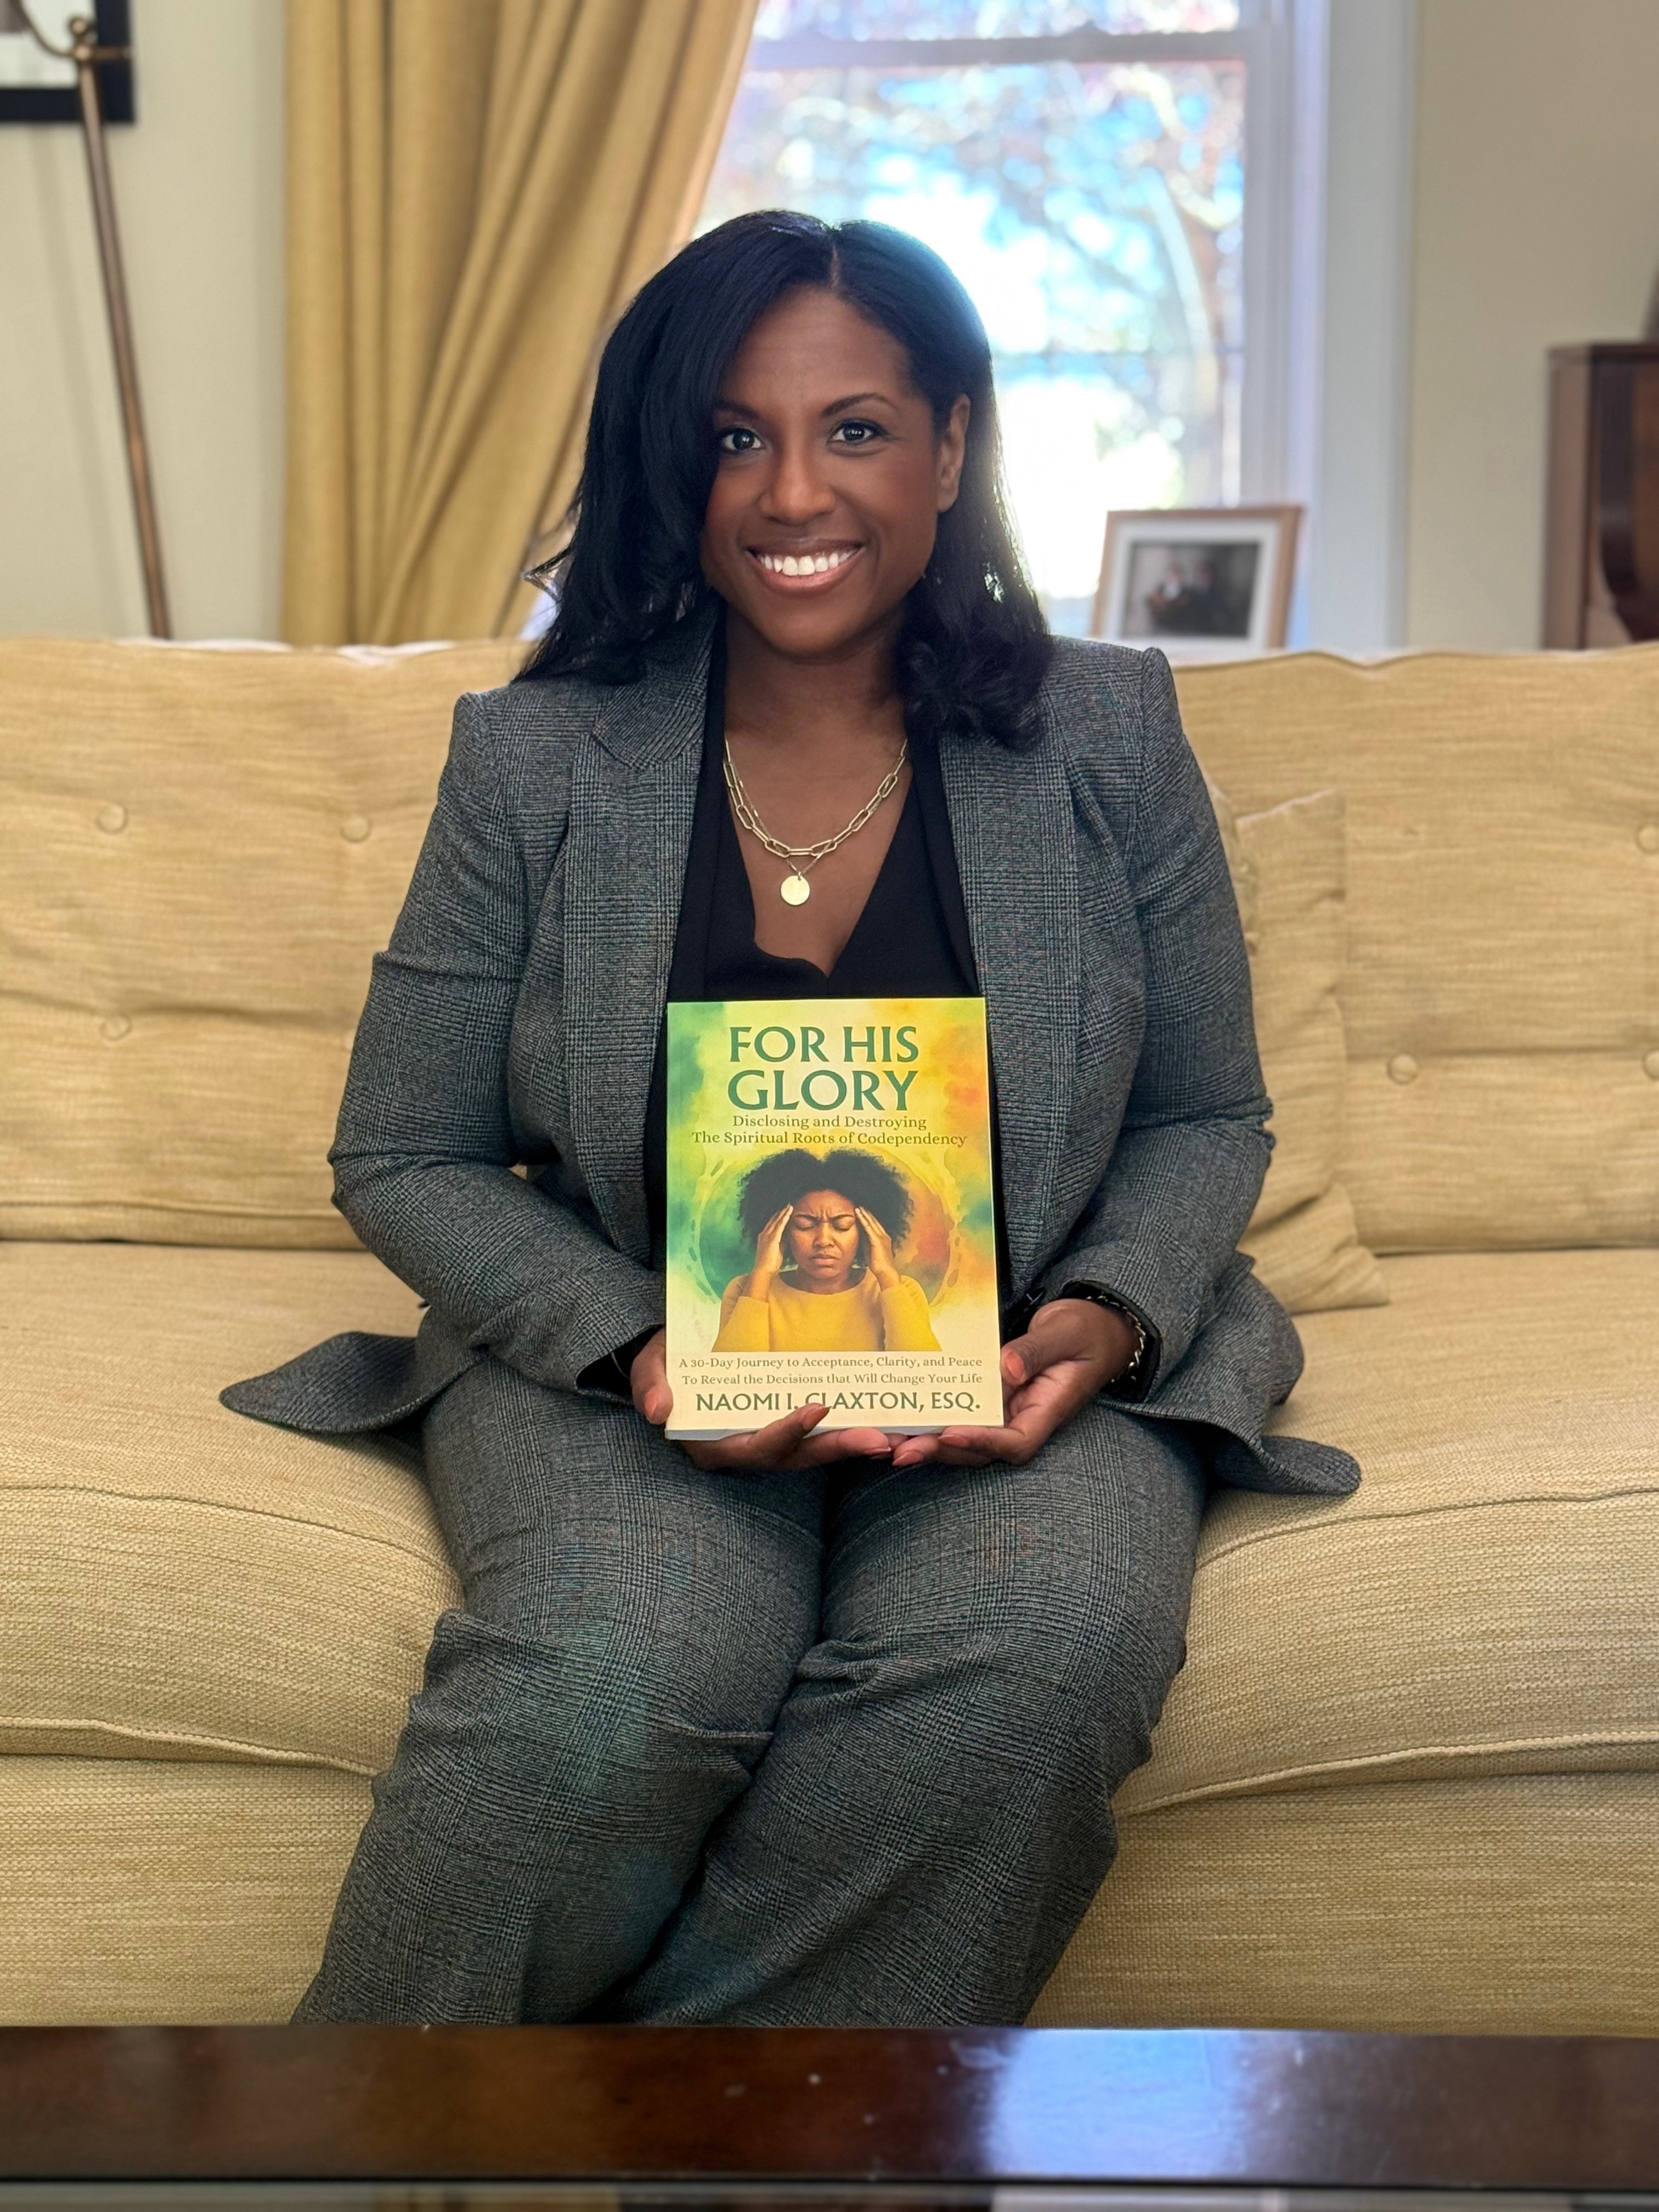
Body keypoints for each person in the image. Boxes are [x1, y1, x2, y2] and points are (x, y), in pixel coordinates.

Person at [222, 209, 1360, 2029]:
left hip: (1017, 1362)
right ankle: (368, 2152)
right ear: (671, 458)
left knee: (1034, 1659)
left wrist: (1106, 1316)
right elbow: (401, 1149)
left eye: (852, 428)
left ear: (952, 445)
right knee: (609, 1673)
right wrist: (632, 1349)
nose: (787, 491)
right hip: (632, 1356)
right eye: (734, 434)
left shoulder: (1108, 734)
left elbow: (1206, 1111)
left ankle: (715, 2150)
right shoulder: (537, 761)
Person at [712, 1147, 939, 1353]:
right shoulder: (745, 1290)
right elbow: (726, 1381)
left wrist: (888, 1276)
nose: (823, 1240)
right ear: (780, 1232)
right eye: (805, 1224)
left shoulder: (903, 1291)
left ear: (867, 1231)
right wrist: (761, 1274)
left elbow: (927, 1380)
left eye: (842, 1225)